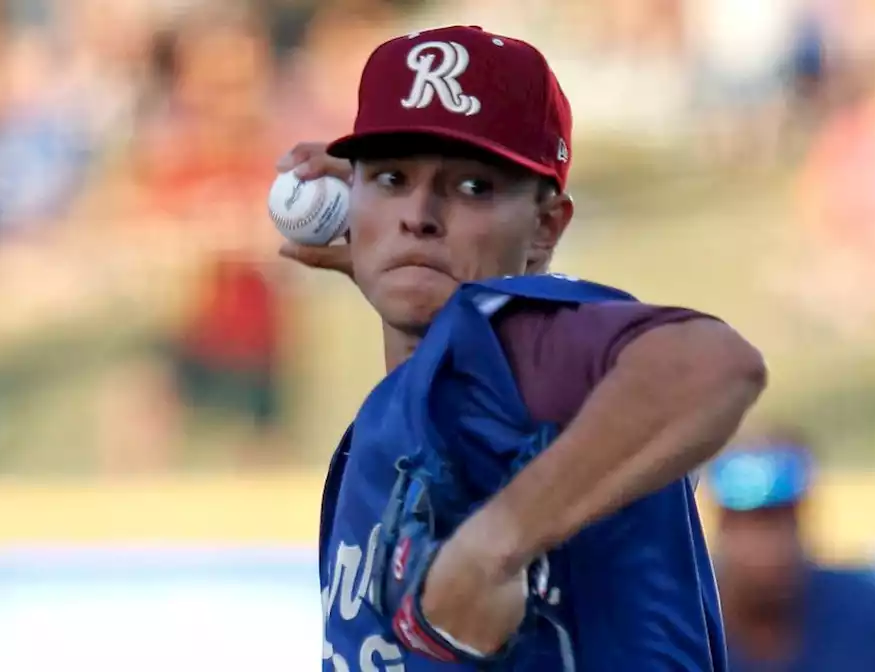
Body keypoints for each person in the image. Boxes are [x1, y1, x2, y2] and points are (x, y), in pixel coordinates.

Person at [277, 25, 767, 671]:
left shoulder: (513, 338)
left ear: (544, 226)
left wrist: (493, 546)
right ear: (352, 198)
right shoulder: (422, 389)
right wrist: (393, 262)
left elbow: (713, 365)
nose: (418, 214)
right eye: (392, 178)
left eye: (472, 187)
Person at [707, 433, 875, 671]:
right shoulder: (687, 625)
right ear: (722, 525)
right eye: (751, 523)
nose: (769, 545)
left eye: (781, 520)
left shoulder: (864, 615)